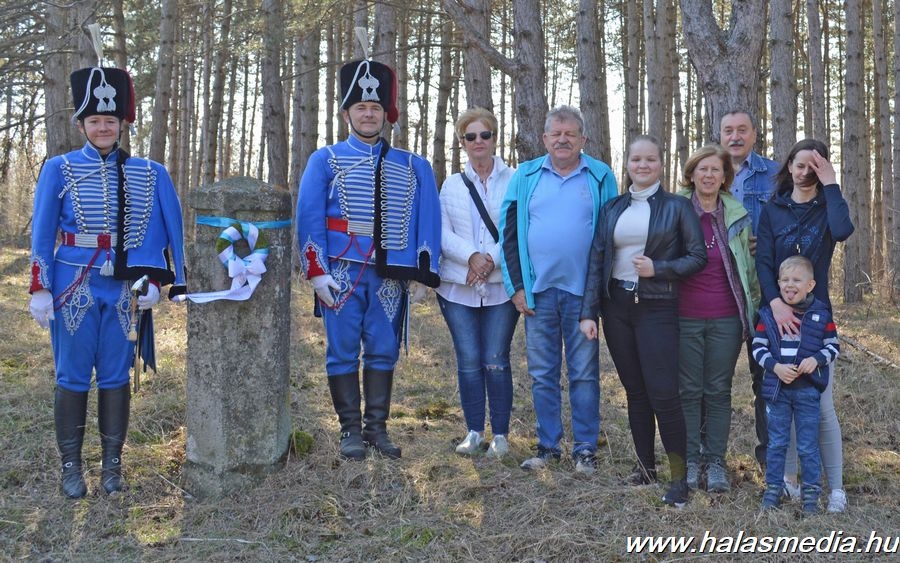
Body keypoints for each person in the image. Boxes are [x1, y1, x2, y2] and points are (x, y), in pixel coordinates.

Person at [29, 66, 187, 498]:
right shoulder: (58, 169)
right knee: (73, 375)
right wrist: (40, 285)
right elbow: (42, 229)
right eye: (95, 120)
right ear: (82, 124)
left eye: (110, 121)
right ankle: (70, 467)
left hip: (124, 289)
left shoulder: (150, 173)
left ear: (122, 124)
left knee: (116, 375)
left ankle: (113, 467)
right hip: (71, 283)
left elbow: (165, 228)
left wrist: (159, 279)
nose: (103, 127)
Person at [296, 58, 441, 461]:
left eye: (375, 108)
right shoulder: (324, 160)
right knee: (342, 350)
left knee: (383, 350)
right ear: (347, 113)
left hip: (389, 274)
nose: (368, 113)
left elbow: (427, 218)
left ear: (385, 114)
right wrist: (316, 272)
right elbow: (308, 218)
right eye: (360, 107)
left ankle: (377, 428)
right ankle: (350, 430)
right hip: (340, 271)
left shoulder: (412, 166)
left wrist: (425, 272)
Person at [579, 135, 706, 507]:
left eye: (650, 159)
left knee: (664, 395)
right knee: (635, 392)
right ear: (628, 163)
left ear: (660, 163)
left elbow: (698, 257)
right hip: (615, 306)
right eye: (636, 159)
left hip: (657, 307)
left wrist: (659, 268)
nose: (643, 165)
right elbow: (596, 260)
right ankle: (644, 468)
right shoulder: (613, 208)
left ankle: (679, 479)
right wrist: (589, 312)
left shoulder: (678, 207)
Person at [499, 105, 617, 474]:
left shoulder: (600, 176)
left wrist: (597, 296)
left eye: (571, 133)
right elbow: (509, 233)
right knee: (542, 373)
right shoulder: (526, 175)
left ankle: (584, 449)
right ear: (545, 138)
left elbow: (610, 236)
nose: (563, 139)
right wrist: (516, 286)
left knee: (583, 373)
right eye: (556, 133)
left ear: (584, 139)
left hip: (584, 295)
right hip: (539, 293)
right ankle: (548, 446)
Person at [755, 138, 854, 512]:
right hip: (778, 314)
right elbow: (764, 262)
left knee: (820, 405)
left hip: (815, 314)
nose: (804, 172)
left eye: (814, 166)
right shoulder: (774, 209)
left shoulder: (828, 206)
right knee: (785, 398)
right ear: (789, 167)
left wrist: (831, 183)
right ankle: (790, 482)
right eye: (799, 164)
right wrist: (776, 304)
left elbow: (843, 232)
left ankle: (836, 489)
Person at [436, 108, 519, 458]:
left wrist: (490, 262)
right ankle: (474, 432)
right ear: (462, 143)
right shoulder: (452, 184)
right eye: (470, 137)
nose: (478, 142)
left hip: (501, 286)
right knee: (469, 359)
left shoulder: (515, 179)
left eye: (485, 135)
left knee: (496, 359)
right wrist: (471, 256)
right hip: (457, 286)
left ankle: (500, 435)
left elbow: (518, 227)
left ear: (495, 138)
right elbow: (441, 231)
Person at [676, 144, 759, 493]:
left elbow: (748, 269)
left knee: (718, 390)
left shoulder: (737, 214)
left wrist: (755, 308)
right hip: (684, 317)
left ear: (725, 177)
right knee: (689, 391)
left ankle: (716, 462)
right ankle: (690, 460)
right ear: (691, 174)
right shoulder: (675, 211)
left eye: (716, 170)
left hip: (726, 316)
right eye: (702, 169)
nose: (709, 175)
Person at [752, 255, 840, 513]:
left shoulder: (821, 314)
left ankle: (810, 495)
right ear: (778, 283)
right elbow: (758, 348)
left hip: (808, 392)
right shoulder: (768, 315)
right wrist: (775, 367)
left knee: (807, 444)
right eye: (785, 280)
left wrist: (815, 360)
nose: (790, 285)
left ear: (810, 285)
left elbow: (832, 346)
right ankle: (773, 490)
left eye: (797, 280)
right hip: (778, 392)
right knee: (778, 442)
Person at [719, 110, 779, 470]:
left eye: (742, 130)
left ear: (755, 134)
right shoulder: (709, 171)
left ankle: (770, 460)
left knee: (766, 377)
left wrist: (769, 242)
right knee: (716, 380)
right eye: (729, 130)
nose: (736, 136)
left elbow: (791, 222)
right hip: (721, 292)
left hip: (763, 290)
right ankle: (712, 461)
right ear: (720, 135)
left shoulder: (773, 175)